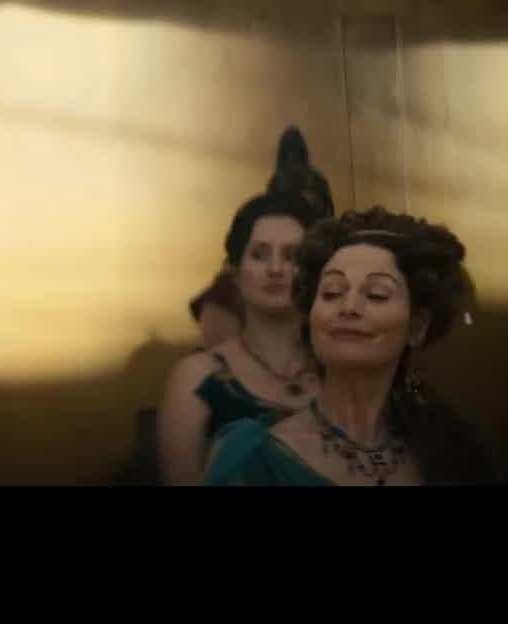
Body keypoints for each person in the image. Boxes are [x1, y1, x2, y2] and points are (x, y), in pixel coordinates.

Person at [205, 207, 500, 486]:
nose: (348, 307)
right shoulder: (252, 457)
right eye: (332, 293)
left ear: (417, 327)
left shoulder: (455, 455)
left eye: (376, 294)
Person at [155, 191, 323, 485]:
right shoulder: (197, 376)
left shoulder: (341, 366)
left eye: (292, 256)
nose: (275, 269)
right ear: (235, 270)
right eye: (259, 255)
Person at [188, 127, 334, 347]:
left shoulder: (339, 269)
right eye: (291, 209)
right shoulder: (230, 288)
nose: (302, 219)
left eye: (310, 211)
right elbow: (215, 353)